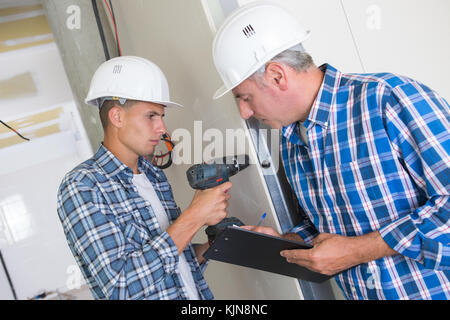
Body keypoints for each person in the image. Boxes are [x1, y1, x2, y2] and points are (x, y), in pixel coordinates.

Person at [211, 2, 449, 299]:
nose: (245, 112)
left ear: (276, 76)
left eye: (245, 97)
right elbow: (334, 226)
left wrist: (360, 250)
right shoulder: (291, 141)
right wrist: (291, 242)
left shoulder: (388, 98)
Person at [57, 56, 231, 300]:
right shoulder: (82, 186)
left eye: (161, 116)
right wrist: (194, 216)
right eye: (151, 116)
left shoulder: (154, 177)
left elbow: (170, 266)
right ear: (117, 117)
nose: (162, 129)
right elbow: (121, 287)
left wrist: (209, 248)